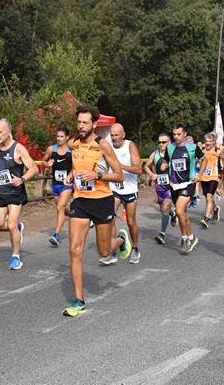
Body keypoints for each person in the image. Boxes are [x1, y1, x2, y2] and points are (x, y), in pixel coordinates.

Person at [62, 105, 128, 317]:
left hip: (102, 200)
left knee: (104, 251)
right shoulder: (73, 144)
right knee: (74, 250)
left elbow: (119, 175)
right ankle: (79, 300)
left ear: (94, 124)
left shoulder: (103, 146)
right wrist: (72, 176)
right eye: (79, 122)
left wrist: (97, 177)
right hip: (81, 200)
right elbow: (78, 165)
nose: (81, 126)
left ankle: (120, 240)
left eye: (85, 123)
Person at [0, 118, 38, 270]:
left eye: (0, 131)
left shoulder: (18, 148)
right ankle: (18, 228)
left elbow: (34, 169)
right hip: (1, 192)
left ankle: (15, 257)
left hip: (15, 193)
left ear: (9, 132)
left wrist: (22, 179)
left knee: (11, 224)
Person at [100, 123, 142, 265]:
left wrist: (121, 167)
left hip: (129, 189)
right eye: (112, 135)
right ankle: (112, 252)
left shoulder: (130, 146)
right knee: (110, 218)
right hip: (114, 189)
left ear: (123, 134)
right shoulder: (108, 147)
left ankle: (135, 247)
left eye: (116, 135)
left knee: (131, 222)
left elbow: (138, 169)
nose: (114, 138)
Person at [162, 123, 204, 254]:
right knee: (183, 214)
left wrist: (200, 175)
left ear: (185, 134)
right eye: (174, 134)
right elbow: (166, 161)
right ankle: (191, 237)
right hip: (174, 185)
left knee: (179, 211)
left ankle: (185, 239)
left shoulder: (192, 147)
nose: (176, 137)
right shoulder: (169, 148)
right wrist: (164, 165)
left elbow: (204, 159)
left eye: (179, 134)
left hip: (188, 183)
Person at [41, 127, 74, 247]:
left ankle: (56, 235)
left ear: (67, 137)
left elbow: (76, 166)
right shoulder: (51, 149)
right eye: (58, 136)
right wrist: (47, 164)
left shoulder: (71, 150)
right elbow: (44, 161)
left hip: (67, 184)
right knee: (61, 209)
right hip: (55, 184)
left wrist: (70, 176)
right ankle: (76, 215)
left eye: (62, 136)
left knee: (60, 207)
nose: (59, 139)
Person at [143, 133, 177, 245]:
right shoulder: (155, 154)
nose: (161, 144)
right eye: (159, 142)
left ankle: (162, 234)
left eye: (164, 142)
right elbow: (146, 166)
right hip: (159, 186)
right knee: (163, 208)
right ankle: (172, 214)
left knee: (166, 206)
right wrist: (152, 174)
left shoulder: (174, 154)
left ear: (169, 143)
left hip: (170, 186)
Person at [196, 133, 222, 228]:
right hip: (203, 177)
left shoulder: (217, 152)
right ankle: (215, 209)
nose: (207, 143)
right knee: (208, 197)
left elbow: (223, 163)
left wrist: (221, 178)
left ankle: (206, 218)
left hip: (213, 177)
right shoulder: (201, 152)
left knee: (209, 197)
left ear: (213, 142)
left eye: (209, 141)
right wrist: (198, 164)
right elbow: (197, 162)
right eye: (206, 141)